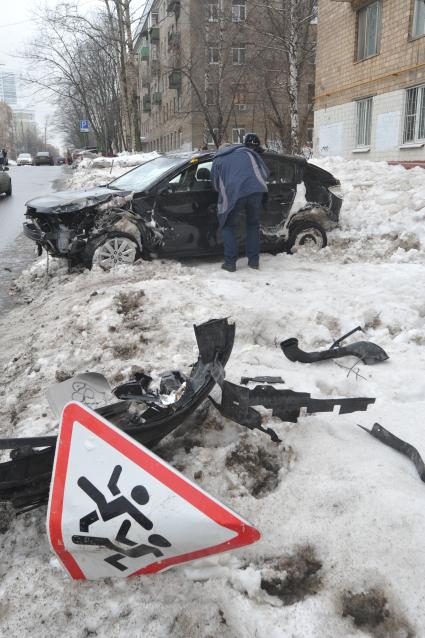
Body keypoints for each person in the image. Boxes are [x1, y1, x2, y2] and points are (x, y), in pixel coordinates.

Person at [211, 133, 269, 272]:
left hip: (235, 194)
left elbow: (215, 185)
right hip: (256, 191)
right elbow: (264, 172)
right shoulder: (248, 153)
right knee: (253, 224)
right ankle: (254, 262)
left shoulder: (218, 160)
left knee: (227, 225)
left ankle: (230, 263)